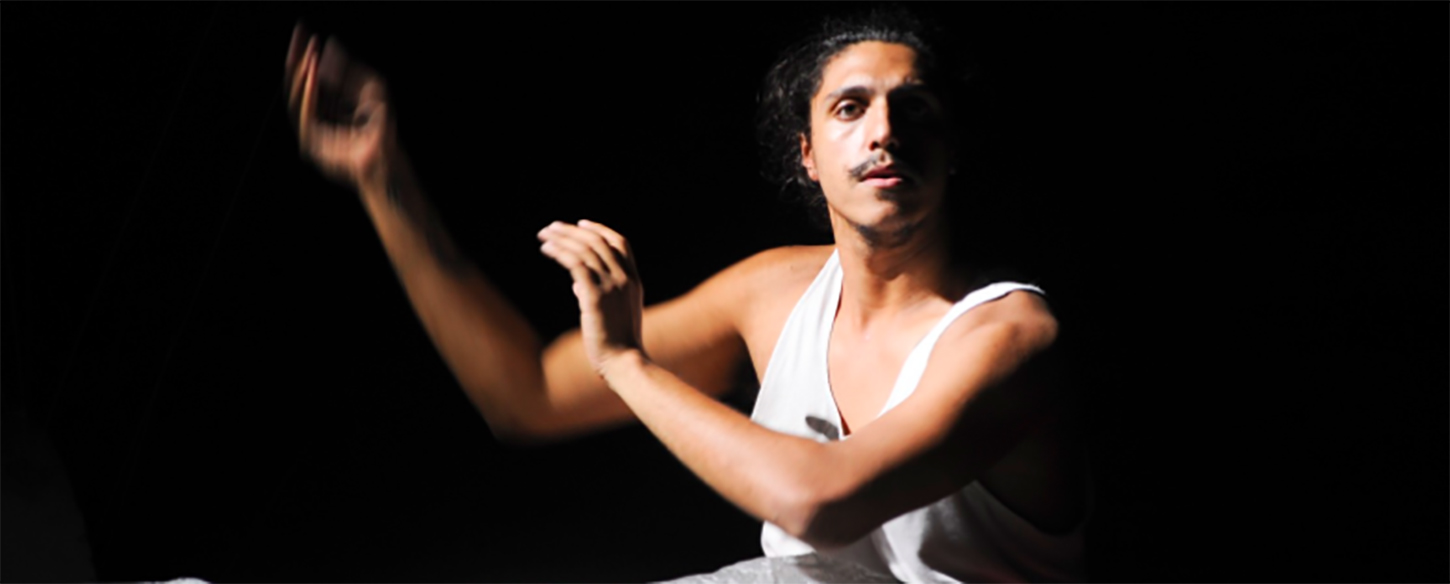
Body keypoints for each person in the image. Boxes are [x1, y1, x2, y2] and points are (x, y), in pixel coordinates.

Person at [284, 8, 1089, 582]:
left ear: (953, 151)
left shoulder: (1011, 333)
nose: (885, 131)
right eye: (852, 108)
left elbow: (819, 505)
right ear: (807, 155)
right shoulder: (775, 289)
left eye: (915, 110)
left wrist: (628, 364)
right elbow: (524, 395)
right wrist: (383, 183)